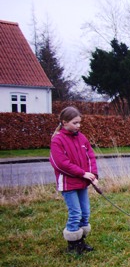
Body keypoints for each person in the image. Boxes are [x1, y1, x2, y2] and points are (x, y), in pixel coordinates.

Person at [49, 106, 99, 254]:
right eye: (75, 123)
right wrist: (82, 173)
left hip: (82, 183)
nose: (78, 126)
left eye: (79, 122)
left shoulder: (82, 138)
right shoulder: (57, 140)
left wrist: (93, 175)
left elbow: (90, 157)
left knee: (85, 212)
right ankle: (73, 244)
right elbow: (60, 163)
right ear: (64, 123)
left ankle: (81, 241)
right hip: (68, 184)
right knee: (75, 213)